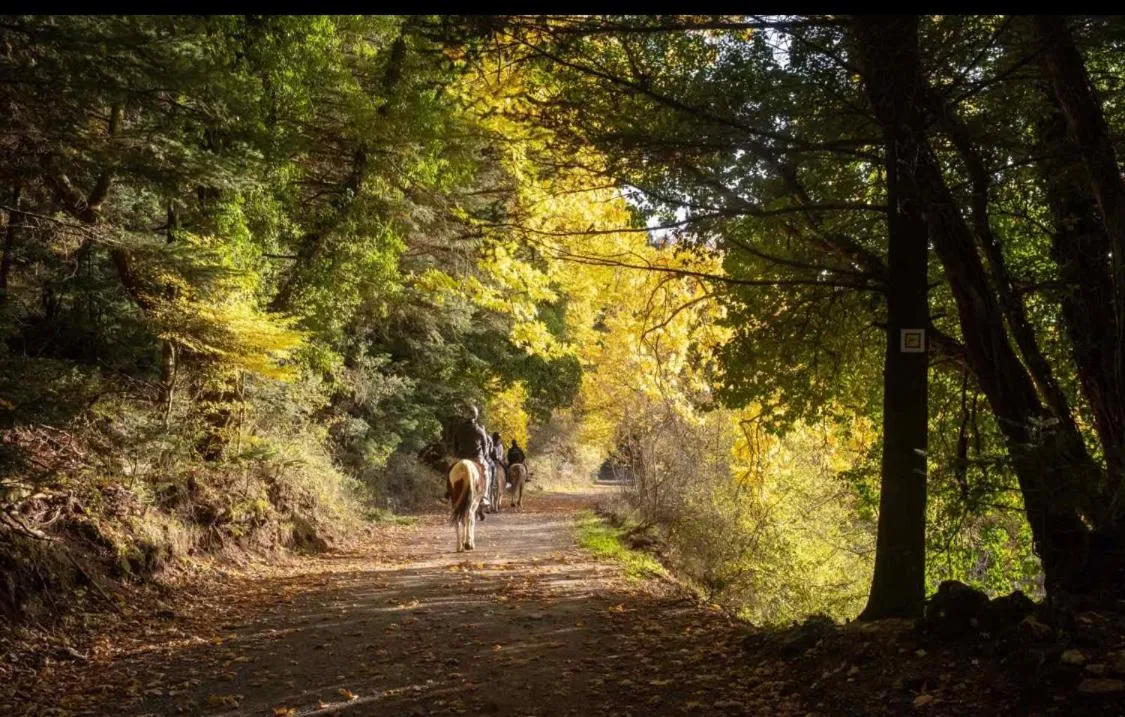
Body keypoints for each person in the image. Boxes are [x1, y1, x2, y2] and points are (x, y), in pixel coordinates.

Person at [452, 405, 492, 513]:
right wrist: (484, 456)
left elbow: (455, 445)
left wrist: (457, 454)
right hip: (476, 458)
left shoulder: (459, 429)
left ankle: (448, 493)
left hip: (462, 458)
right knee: (486, 472)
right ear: (476, 416)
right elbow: (485, 446)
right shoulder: (479, 430)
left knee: (451, 470)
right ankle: (484, 496)